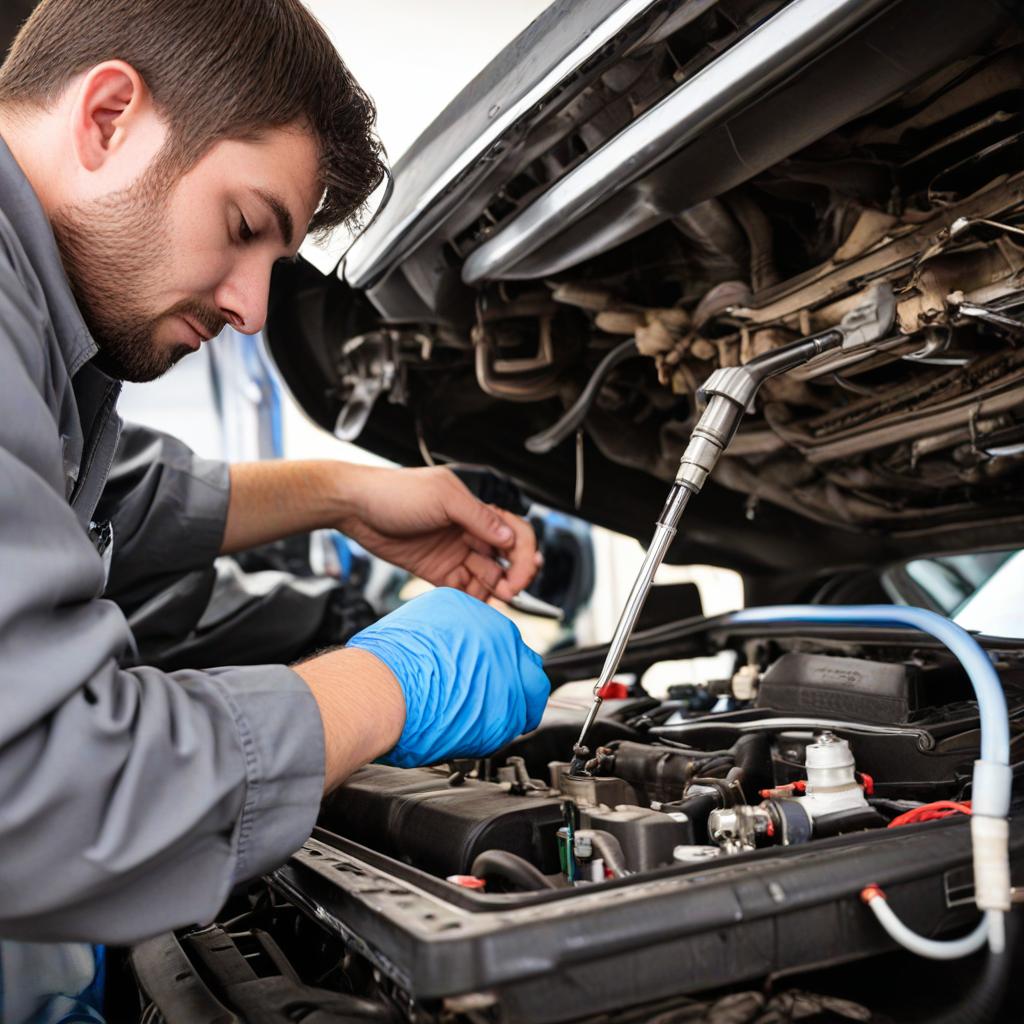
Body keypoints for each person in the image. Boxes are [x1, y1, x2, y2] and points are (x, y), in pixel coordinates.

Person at [0, 0, 550, 952]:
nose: (253, 310)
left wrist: (346, 495)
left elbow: (104, 498)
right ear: (108, 117)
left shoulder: (41, 336)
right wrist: (385, 685)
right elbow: (38, 788)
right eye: (245, 223)